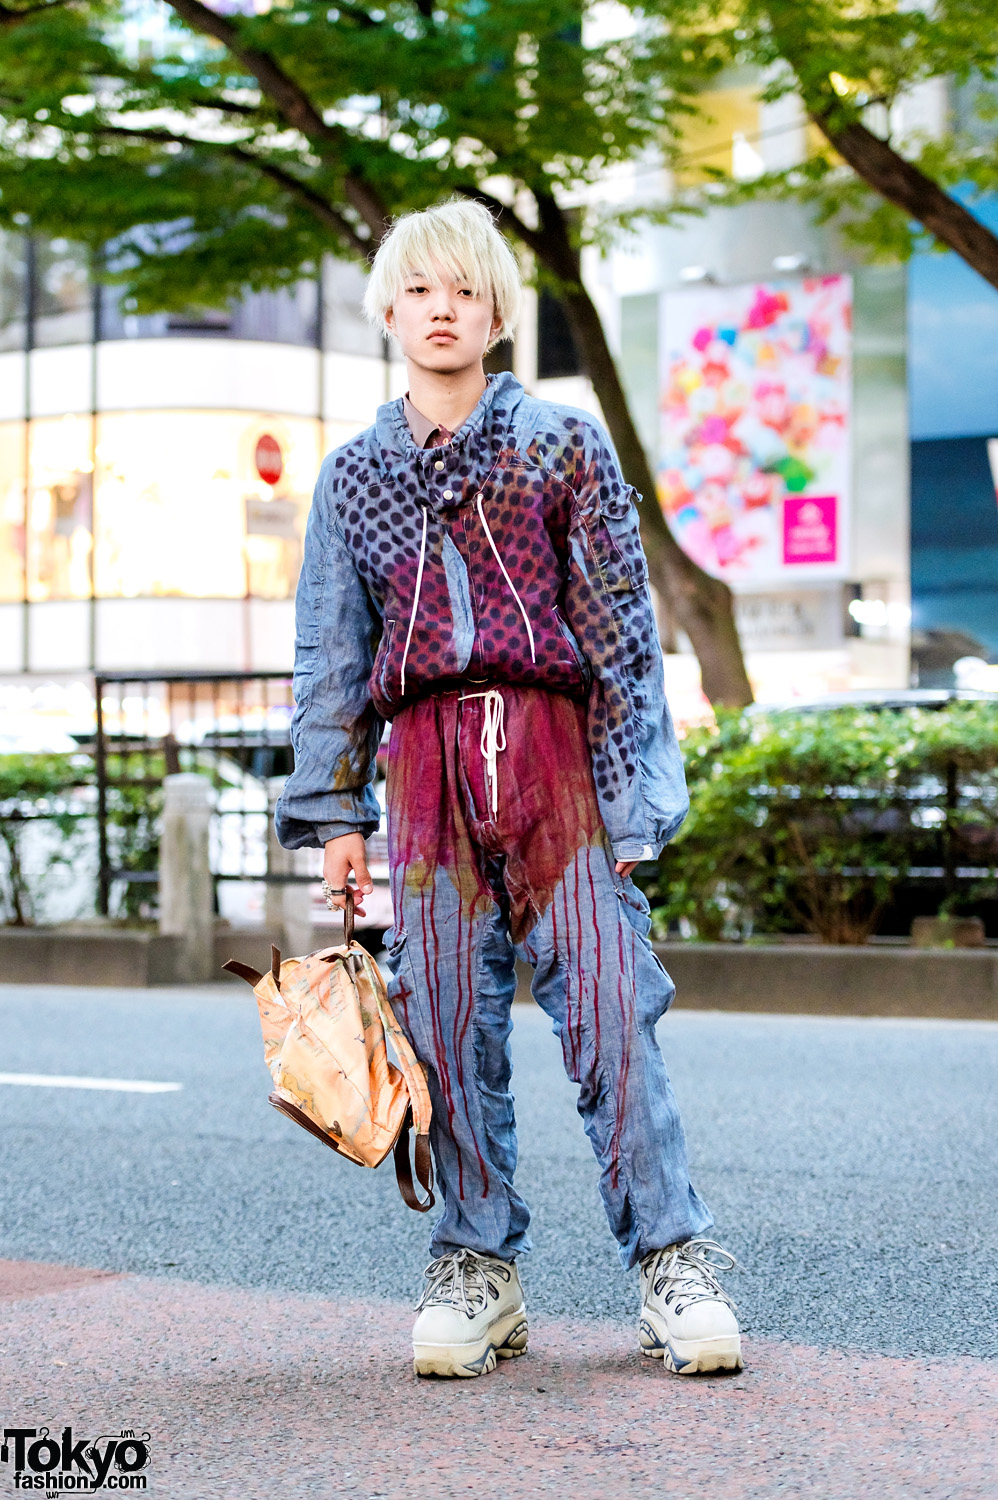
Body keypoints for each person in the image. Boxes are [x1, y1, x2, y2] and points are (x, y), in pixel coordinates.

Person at [275, 199, 742, 1379]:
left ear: (496, 313)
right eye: (419, 290)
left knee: (611, 1016)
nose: (441, 309)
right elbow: (331, 656)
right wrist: (334, 811)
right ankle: (475, 1265)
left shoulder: (562, 445)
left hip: (558, 761)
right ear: (388, 308)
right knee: (435, 1025)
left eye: (465, 291)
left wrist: (635, 801)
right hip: (422, 769)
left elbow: (623, 635)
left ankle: (669, 1260)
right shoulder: (353, 478)